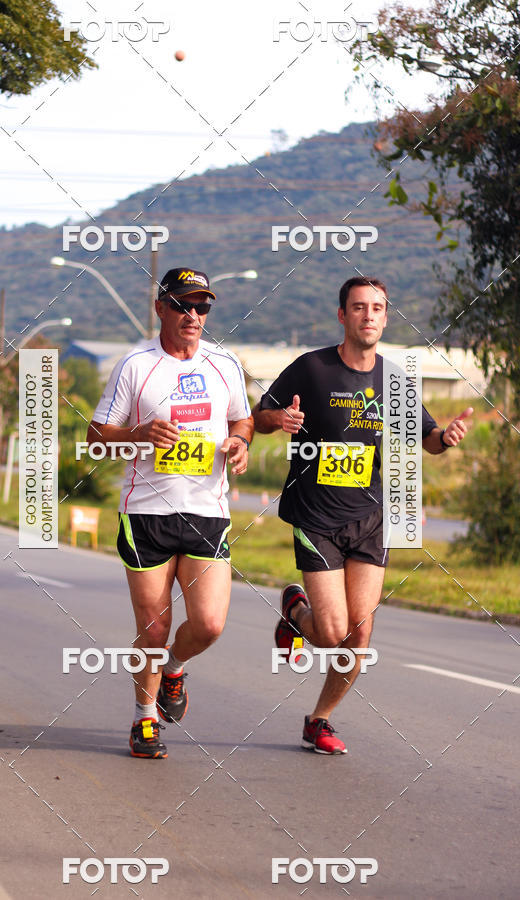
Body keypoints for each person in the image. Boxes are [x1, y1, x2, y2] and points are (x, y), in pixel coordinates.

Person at [252, 277, 472, 755]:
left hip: (369, 518)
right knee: (332, 634)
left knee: (361, 631)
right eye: (358, 307)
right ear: (343, 315)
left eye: (377, 308)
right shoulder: (312, 368)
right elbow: (260, 415)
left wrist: (446, 439)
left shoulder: (393, 380)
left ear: (386, 317)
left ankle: (319, 720)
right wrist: (281, 421)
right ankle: (295, 612)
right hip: (317, 518)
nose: (368, 315)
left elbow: (428, 438)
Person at [87, 268, 253, 759]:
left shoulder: (223, 363)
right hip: (146, 516)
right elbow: (97, 438)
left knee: (209, 624)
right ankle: (144, 719)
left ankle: (174, 669)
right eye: (183, 305)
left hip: (207, 513)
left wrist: (240, 443)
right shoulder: (135, 365)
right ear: (161, 308)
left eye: (202, 307)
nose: (193, 316)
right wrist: (138, 435)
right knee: (154, 628)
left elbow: (242, 418)